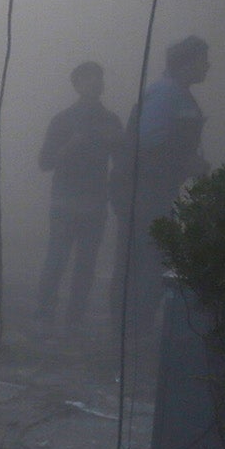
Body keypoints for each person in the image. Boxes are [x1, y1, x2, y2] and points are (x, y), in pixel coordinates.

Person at [110, 35, 210, 332]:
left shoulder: (177, 94)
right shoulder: (166, 94)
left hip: (155, 192)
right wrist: (186, 163)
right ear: (186, 64)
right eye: (203, 60)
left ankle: (133, 325)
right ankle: (129, 328)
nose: (208, 66)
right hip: (142, 192)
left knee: (148, 256)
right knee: (143, 257)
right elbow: (149, 146)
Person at [34, 60, 124, 325]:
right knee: (57, 260)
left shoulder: (111, 120)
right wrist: (70, 145)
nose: (95, 82)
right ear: (76, 84)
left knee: (86, 265)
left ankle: (74, 318)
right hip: (65, 201)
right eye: (88, 78)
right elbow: (44, 162)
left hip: (96, 202)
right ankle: (44, 314)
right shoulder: (63, 120)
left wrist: (119, 141)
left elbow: (122, 161)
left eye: (99, 77)